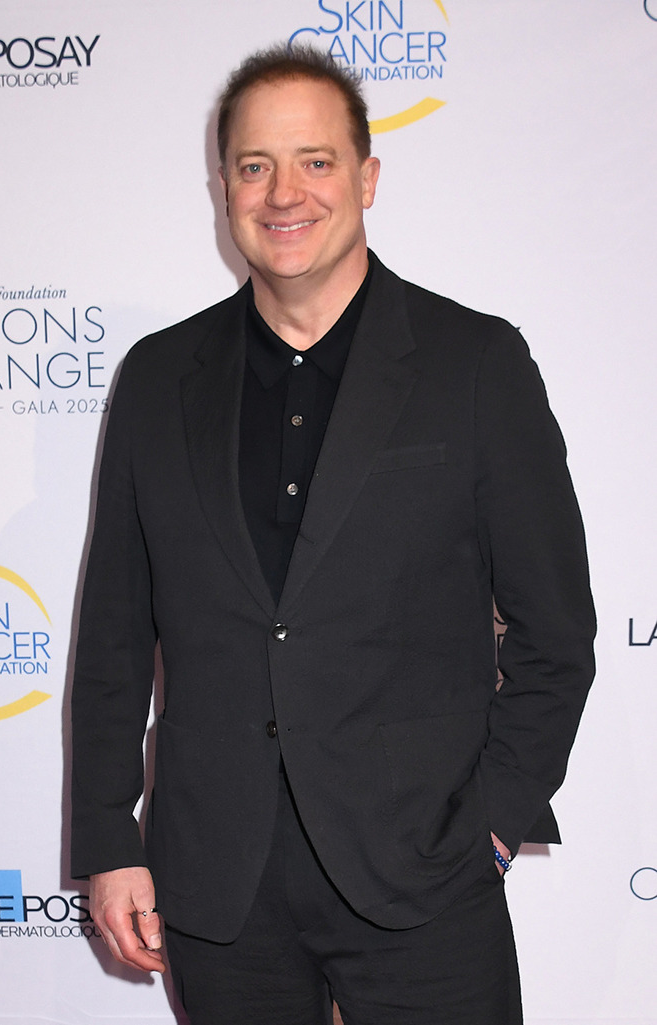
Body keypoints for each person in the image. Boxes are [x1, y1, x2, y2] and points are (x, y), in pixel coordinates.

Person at [71, 43, 595, 1025]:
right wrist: (108, 834)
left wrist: (487, 824)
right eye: (253, 165)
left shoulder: (474, 362)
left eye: (314, 160)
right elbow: (110, 634)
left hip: (424, 876)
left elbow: (554, 633)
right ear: (222, 185)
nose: (283, 194)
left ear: (367, 175)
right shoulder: (156, 377)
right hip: (220, 880)